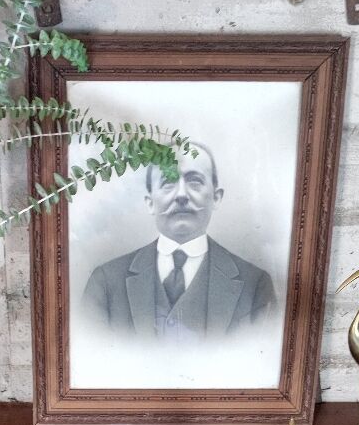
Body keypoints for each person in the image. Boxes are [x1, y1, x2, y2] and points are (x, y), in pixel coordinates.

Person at [80, 142, 276, 341]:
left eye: (195, 182)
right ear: (150, 203)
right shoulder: (105, 283)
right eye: (168, 181)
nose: (181, 195)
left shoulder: (256, 286)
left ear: (216, 198)